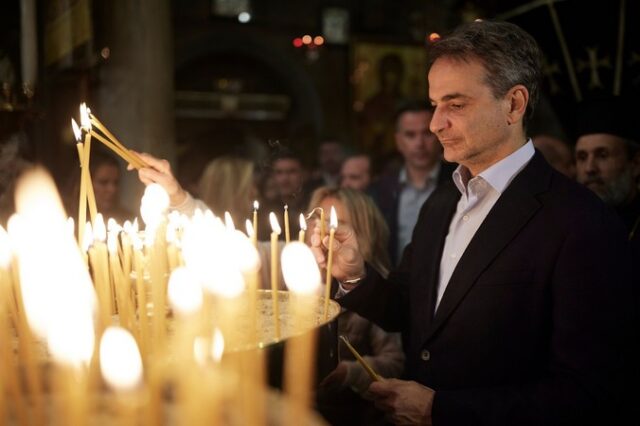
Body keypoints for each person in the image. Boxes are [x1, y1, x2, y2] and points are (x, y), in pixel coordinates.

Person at [311, 20, 635, 425]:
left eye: (456, 105)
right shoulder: (443, 201)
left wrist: (439, 410)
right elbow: (409, 310)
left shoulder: (580, 222)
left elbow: (587, 393)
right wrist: (354, 275)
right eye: (434, 105)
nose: (435, 124)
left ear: (514, 105)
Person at [310, 187, 404, 426]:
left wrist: (347, 372)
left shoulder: (379, 292)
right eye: (317, 225)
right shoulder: (307, 283)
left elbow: (395, 363)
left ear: (362, 232)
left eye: (333, 226)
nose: (322, 235)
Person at [370, 100, 454, 264]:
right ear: (398, 141)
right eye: (410, 135)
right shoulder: (381, 189)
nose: (419, 144)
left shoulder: (460, 181)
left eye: (427, 133)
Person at [574, 97, 640, 243]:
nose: (590, 168)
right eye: (582, 157)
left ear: (635, 164)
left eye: (602, 155)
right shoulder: (566, 228)